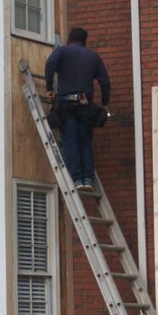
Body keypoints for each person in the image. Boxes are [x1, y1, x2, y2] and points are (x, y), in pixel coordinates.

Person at [45, 27, 110, 192]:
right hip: (85, 104)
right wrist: (105, 102)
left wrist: (49, 88)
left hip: (67, 102)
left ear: (70, 39)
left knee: (71, 140)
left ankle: (76, 179)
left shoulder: (62, 51)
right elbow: (105, 81)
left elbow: (51, 64)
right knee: (85, 141)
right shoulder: (94, 57)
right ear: (84, 41)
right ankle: (88, 179)